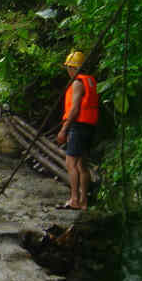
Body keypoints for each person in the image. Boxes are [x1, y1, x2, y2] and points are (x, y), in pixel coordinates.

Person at [56, 51, 98, 211]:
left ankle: (74, 199)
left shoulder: (77, 83)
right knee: (82, 165)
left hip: (78, 126)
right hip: (89, 126)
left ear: (73, 68)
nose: (68, 70)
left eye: (68, 67)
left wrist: (64, 129)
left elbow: (74, 109)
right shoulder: (90, 81)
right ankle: (84, 202)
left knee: (71, 163)